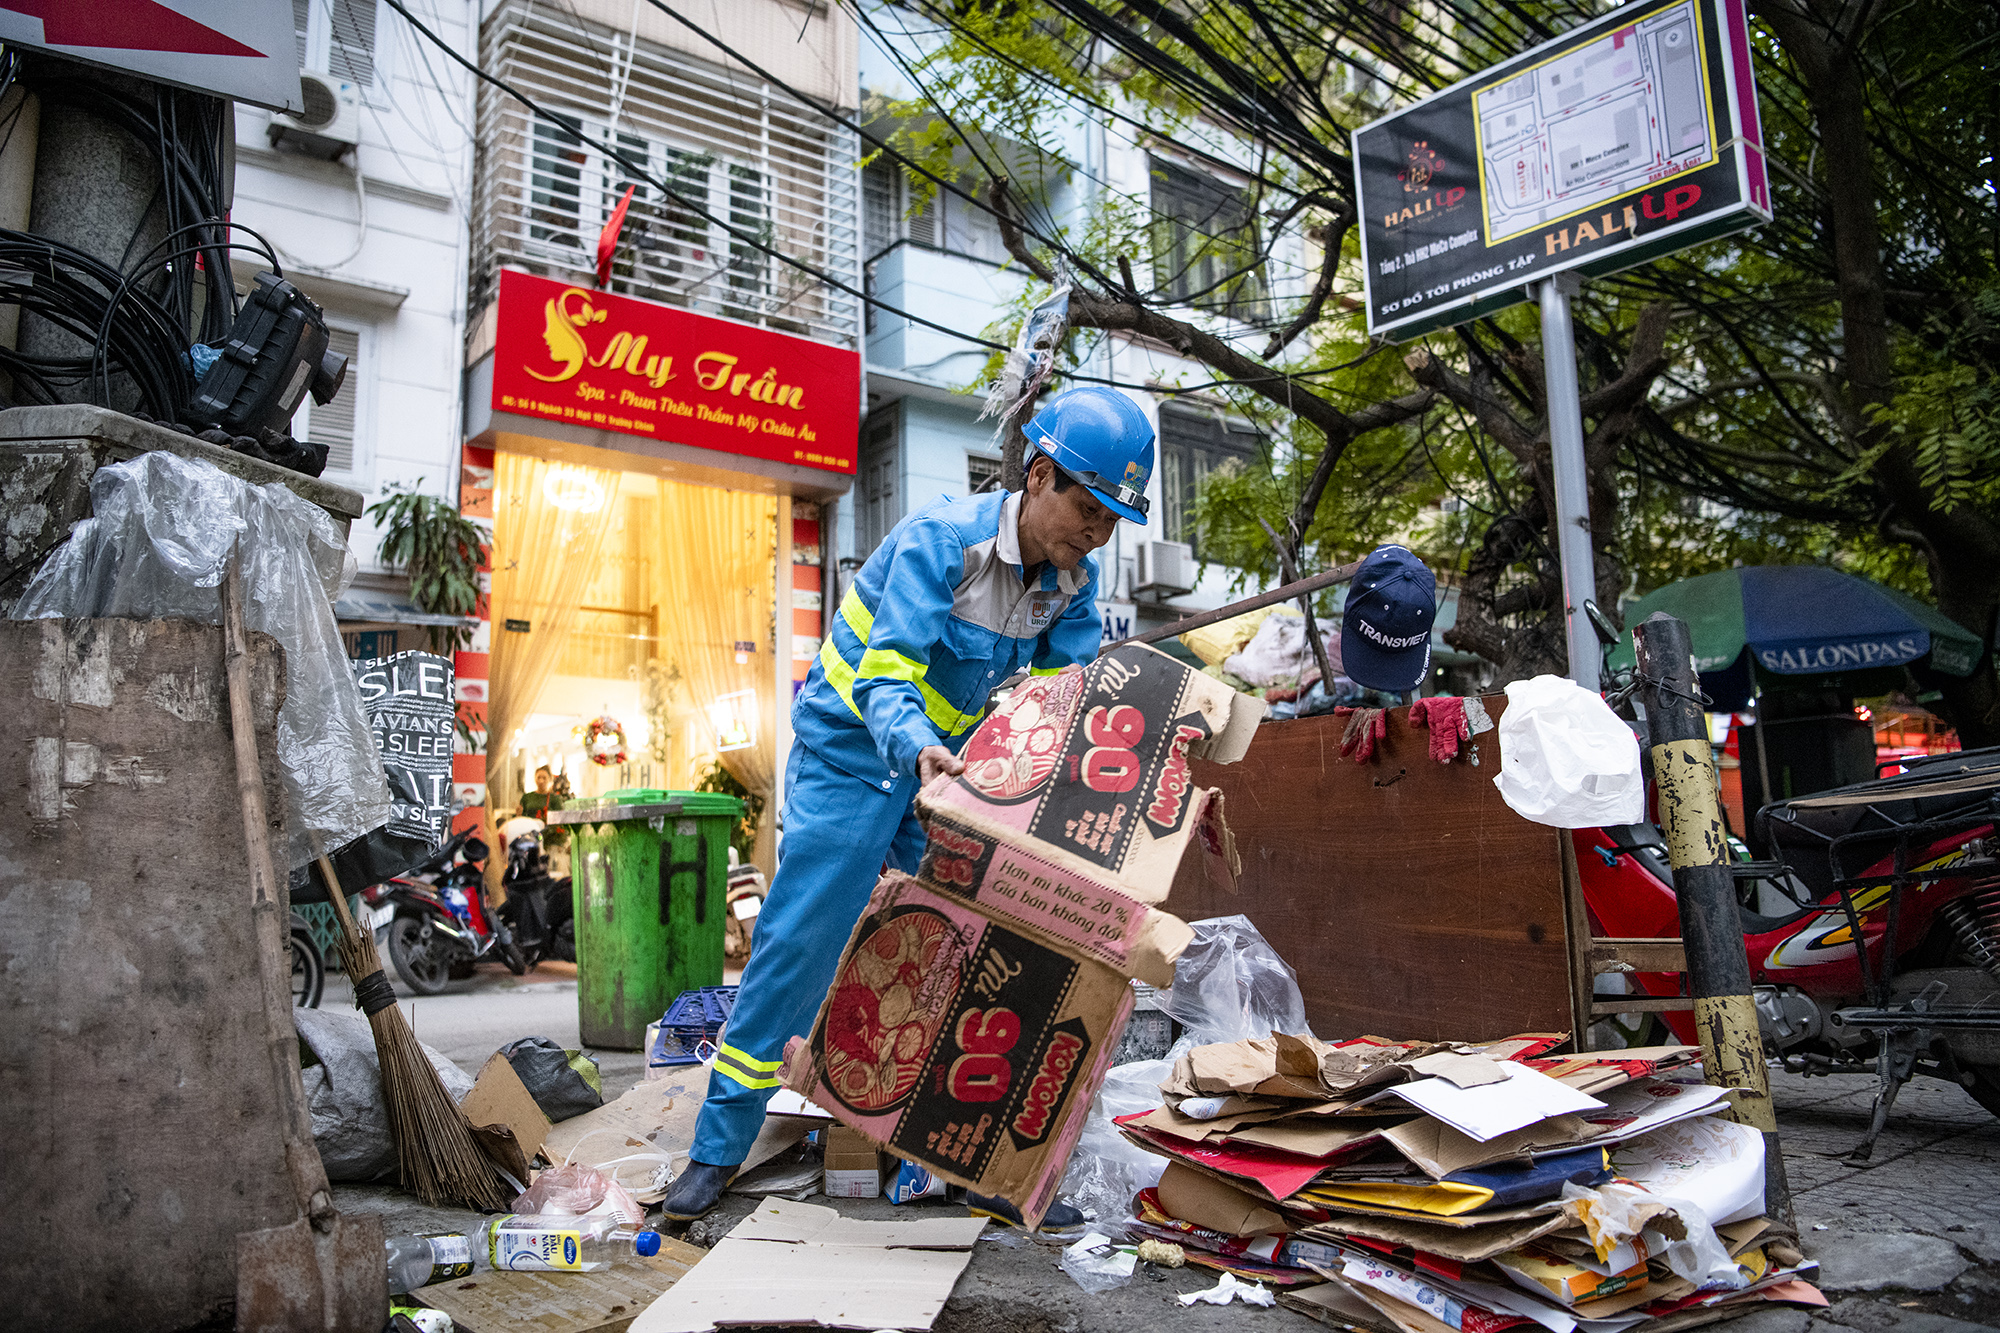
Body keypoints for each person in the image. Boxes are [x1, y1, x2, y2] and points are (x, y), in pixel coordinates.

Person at [660, 386, 1157, 1221]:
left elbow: (1058, 701)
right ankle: (715, 1151)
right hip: (855, 753)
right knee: (802, 947)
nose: (1098, 530)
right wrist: (918, 751)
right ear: (1038, 476)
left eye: (1112, 517)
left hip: (943, 780)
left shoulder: (1074, 581)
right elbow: (885, 672)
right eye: (1089, 505)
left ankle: (933, 1158)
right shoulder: (942, 539)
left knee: (931, 960)